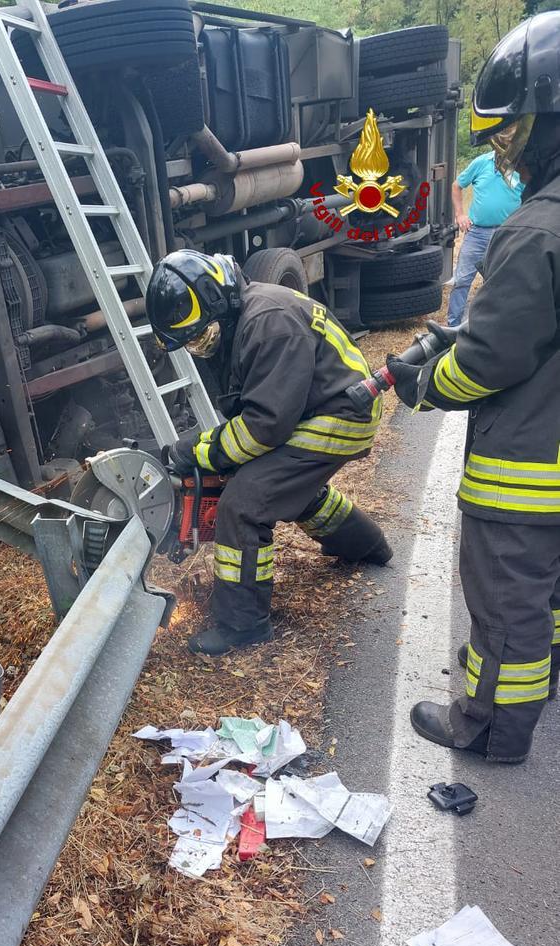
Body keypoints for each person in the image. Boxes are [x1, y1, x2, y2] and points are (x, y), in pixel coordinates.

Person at [387, 12, 560, 764]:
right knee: (546, 593)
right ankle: (541, 683)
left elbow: (491, 360)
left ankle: (488, 727)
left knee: (506, 598)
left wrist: (424, 386)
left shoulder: (536, 230)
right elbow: (535, 329)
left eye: (516, 129)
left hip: (527, 465)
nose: (507, 147)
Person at [146, 248, 392, 656]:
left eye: (203, 337)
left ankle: (243, 625)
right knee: (288, 487)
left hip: (341, 416)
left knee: (245, 502)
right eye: (192, 344)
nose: (202, 348)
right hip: (318, 408)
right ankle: (368, 545)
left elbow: (264, 428)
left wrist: (199, 450)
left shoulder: (267, 322)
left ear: (218, 301)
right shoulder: (244, 314)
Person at [446, 150, 523, 327]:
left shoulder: (520, 165)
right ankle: (452, 327)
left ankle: (496, 327)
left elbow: (529, 196)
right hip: (477, 233)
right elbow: (457, 185)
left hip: (508, 234)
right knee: (462, 280)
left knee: (502, 282)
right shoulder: (481, 162)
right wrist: (460, 215)